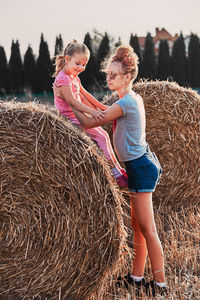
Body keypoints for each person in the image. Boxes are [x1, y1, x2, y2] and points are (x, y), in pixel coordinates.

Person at [61, 45, 168, 297]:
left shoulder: (126, 103)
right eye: (107, 74)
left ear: (128, 76)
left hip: (141, 168)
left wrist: (67, 101)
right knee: (137, 226)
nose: (109, 78)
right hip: (138, 164)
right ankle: (137, 277)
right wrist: (77, 91)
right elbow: (98, 108)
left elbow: (88, 122)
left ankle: (161, 285)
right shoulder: (128, 99)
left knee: (148, 228)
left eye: (114, 75)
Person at [52, 40, 128, 187]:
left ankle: (118, 169)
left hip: (78, 115)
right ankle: (116, 173)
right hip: (69, 119)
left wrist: (102, 107)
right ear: (67, 60)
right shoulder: (62, 79)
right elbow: (73, 102)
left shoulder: (74, 78)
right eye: (78, 63)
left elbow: (85, 95)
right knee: (101, 136)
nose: (81, 67)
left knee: (104, 136)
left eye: (84, 64)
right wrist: (93, 112)